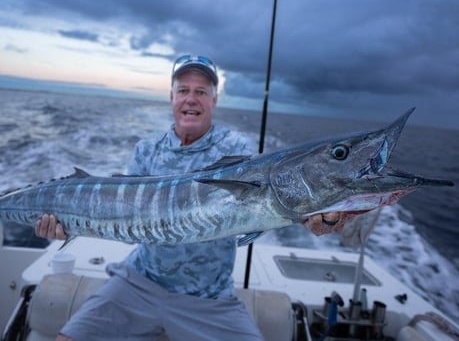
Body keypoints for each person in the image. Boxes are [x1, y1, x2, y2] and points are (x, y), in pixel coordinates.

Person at [35, 54, 343, 341]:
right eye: (183, 90)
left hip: (209, 298)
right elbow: (130, 220)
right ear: (171, 97)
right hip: (138, 282)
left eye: (201, 91)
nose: (191, 99)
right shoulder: (147, 150)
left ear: (214, 100)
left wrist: (319, 215)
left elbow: (271, 198)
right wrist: (68, 224)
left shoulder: (235, 147)